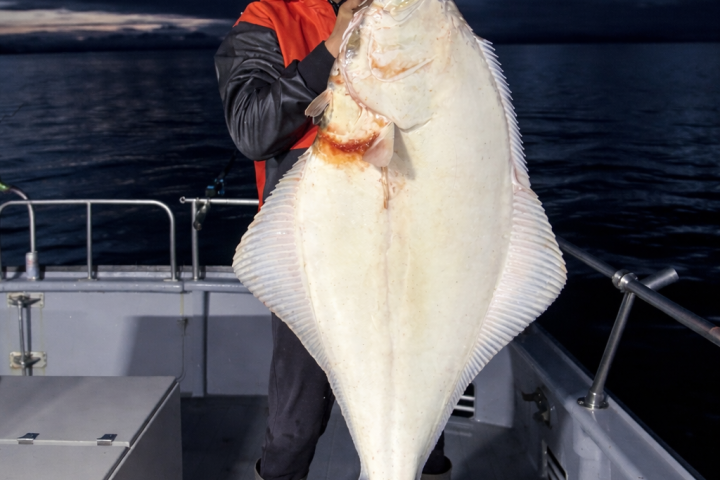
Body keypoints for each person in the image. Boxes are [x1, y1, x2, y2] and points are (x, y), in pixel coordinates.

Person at [215, 1, 451, 479]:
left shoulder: (412, 14)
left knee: (421, 421)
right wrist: (328, 51)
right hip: (313, 255)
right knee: (295, 425)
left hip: (407, 249)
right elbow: (251, 129)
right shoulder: (268, 18)